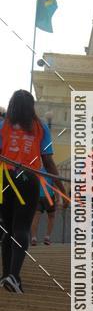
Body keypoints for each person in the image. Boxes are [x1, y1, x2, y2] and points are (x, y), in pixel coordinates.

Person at [0, 90, 66, 293]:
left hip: (5, 179)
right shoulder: (41, 127)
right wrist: (61, 189)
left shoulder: (3, 126)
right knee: (21, 228)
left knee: (7, 229)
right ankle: (13, 276)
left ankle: (5, 276)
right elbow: (48, 161)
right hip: (28, 179)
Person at [31, 167, 56, 246]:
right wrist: (59, 198)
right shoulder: (51, 169)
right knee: (51, 216)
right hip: (49, 196)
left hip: (38, 196)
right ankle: (47, 237)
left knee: (36, 217)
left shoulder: (35, 168)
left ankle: (34, 238)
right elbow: (55, 185)